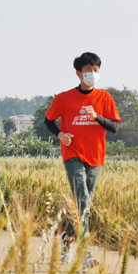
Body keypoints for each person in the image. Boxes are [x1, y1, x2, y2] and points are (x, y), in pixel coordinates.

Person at [44, 52, 121, 254]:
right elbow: (48, 120)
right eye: (88, 70)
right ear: (79, 73)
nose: (93, 74)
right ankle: (85, 253)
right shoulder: (64, 98)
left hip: (96, 156)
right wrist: (60, 134)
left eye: (96, 70)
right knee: (83, 200)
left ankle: (67, 237)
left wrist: (96, 117)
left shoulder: (105, 97)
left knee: (83, 203)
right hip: (73, 154)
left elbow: (114, 127)